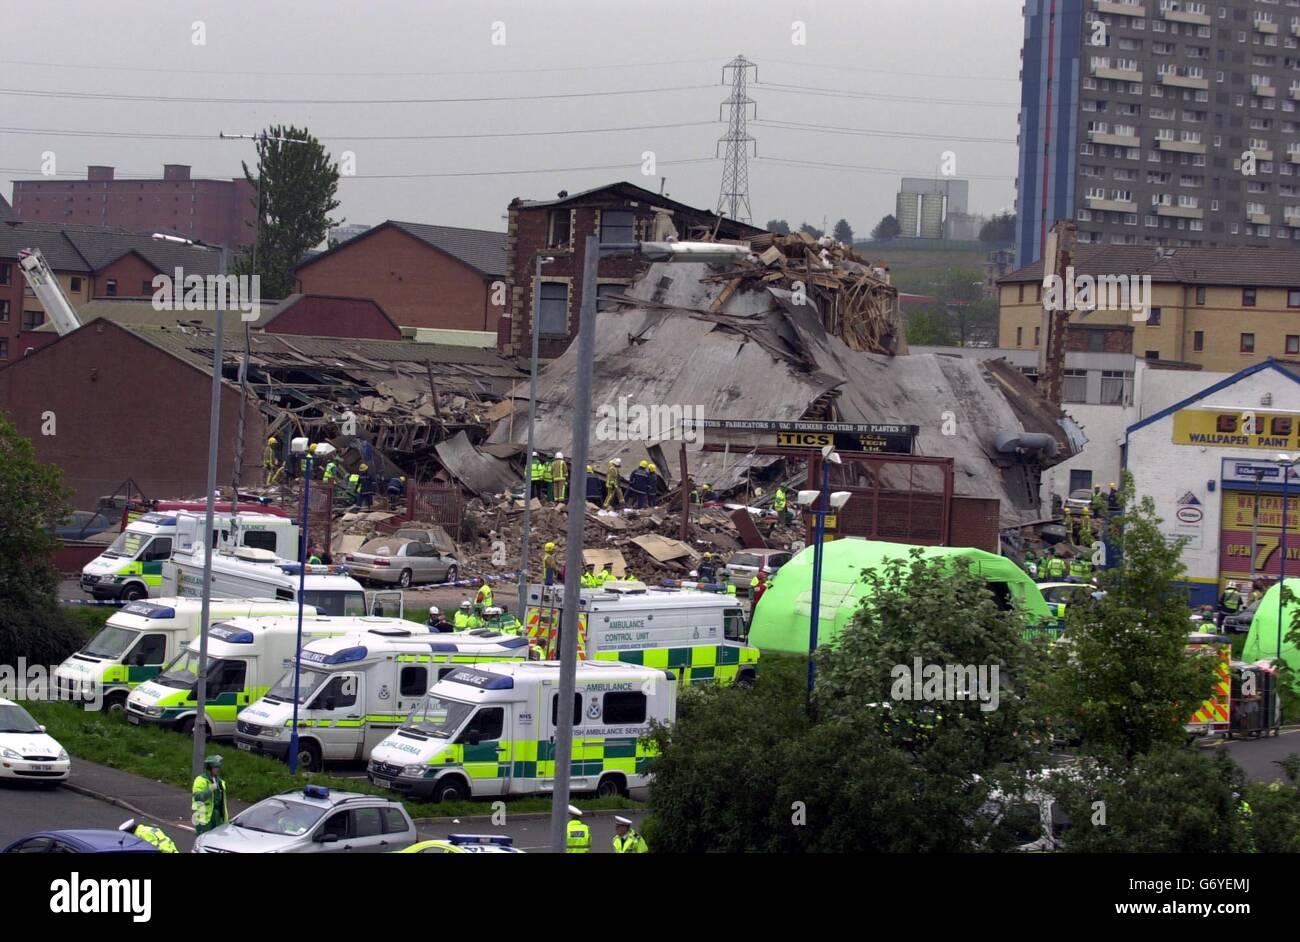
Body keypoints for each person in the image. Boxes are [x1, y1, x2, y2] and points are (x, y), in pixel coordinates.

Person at [191, 755, 229, 836]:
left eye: (219, 767)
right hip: (204, 816)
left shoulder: (220, 781)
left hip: (217, 816)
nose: (218, 769)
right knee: (203, 840)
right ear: (209, 768)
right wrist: (210, 790)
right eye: (215, 767)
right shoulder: (200, 780)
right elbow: (198, 797)